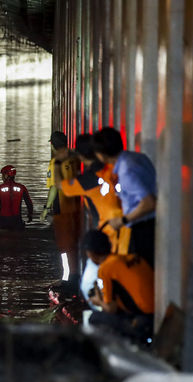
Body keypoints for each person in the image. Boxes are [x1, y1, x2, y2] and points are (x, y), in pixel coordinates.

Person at [54, 134, 125, 304]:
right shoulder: (111, 168)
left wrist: (57, 162)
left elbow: (59, 185)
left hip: (107, 230)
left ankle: (104, 308)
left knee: (94, 281)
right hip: (124, 225)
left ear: (80, 155)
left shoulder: (88, 179)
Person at [93, 127, 156, 267]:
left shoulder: (126, 170)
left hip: (143, 228)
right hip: (152, 224)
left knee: (143, 270)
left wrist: (122, 220)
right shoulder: (138, 157)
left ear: (102, 155)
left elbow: (149, 202)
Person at [83, 230, 154, 344]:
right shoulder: (125, 257)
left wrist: (98, 302)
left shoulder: (105, 269)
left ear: (91, 253)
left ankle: (131, 345)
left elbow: (111, 309)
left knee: (94, 318)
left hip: (144, 320)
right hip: (155, 310)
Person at [42, 131, 82, 287]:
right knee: (75, 243)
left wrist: (46, 208)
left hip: (62, 207)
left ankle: (67, 279)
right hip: (77, 206)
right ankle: (77, 273)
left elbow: (53, 188)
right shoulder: (74, 157)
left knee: (65, 246)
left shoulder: (55, 162)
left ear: (52, 145)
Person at [0, 165, 33, 230]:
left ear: (6, 176)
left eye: (3, 175)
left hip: (3, 221)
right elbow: (29, 203)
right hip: (17, 221)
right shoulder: (22, 188)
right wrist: (30, 215)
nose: (2, 177)